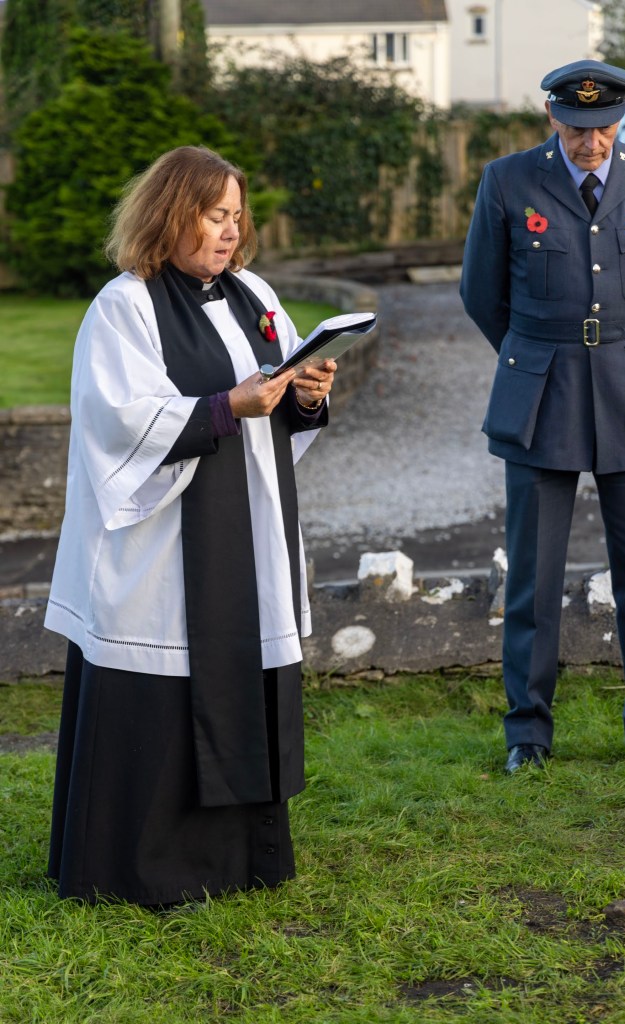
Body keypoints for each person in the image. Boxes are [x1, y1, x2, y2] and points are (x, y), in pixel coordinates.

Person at [45, 145, 337, 903]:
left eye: (236, 216)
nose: (230, 231)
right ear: (170, 214)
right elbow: (117, 420)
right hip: (165, 539)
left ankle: (240, 859)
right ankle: (148, 869)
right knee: (168, 684)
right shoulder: (125, 306)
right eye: (213, 216)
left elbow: (278, 397)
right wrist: (225, 407)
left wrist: (306, 393)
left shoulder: (253, 293)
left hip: (249, 528)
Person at [460, 61, 625, 774]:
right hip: (540, 396)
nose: (591, 143)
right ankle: (527, 732)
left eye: (604, 128)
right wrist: (534, 357)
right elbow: (481, 292)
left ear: (618, 119)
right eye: (578, 128)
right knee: (532, 575)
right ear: (552, 117)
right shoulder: (507, 180)